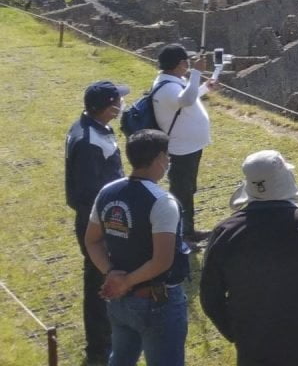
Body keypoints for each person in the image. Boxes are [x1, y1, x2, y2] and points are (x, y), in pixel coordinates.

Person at [200, 150, 298, 366]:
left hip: (255, 346)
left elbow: (210, 296)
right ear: (286, 179)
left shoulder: (226, 232)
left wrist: (236, 332)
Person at [84, 129, 190, 366]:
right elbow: (162, 261)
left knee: (120, 359)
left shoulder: (107, 191)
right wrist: (125, 281)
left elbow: (92, 240)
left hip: (119, 300)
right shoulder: (163, 202)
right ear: (160, 158)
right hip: (156, 303)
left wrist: (111, 275)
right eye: (168, 156)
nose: (169, 162)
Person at [65, 80, 129, 364]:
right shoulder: (89, 142)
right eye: (118, 101)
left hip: (104, 217)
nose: (122, 104)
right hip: (97, 222)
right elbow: (86, 193)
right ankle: (99, 349)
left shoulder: (94, 128)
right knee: (99, 281)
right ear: (109, 106)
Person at [151, 43, 217, 245]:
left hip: (190, 147)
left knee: (187, 191)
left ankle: (187, 230)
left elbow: (187, 97)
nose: (189, 65)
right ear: (180, 64)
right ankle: (180, 235)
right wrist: (197, 73)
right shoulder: (168, 87)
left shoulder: (172, 82)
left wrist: (205, 87)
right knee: (181, 193)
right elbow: (186, 100)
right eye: (187, 62)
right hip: (182, 150)